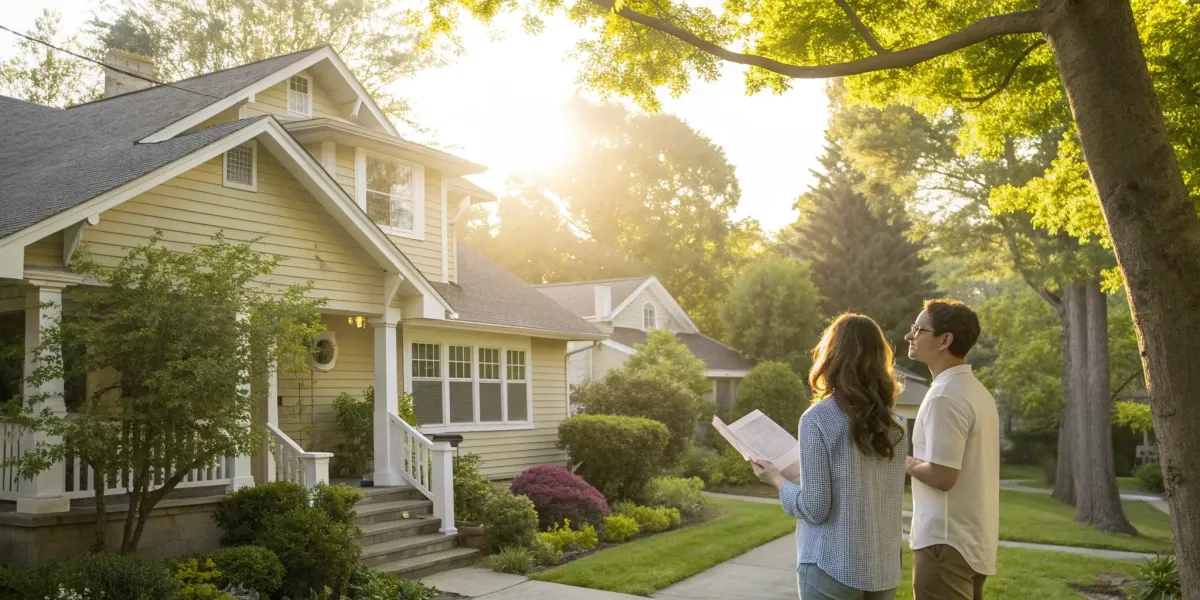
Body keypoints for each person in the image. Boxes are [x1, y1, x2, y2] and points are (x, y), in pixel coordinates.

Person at [753, 313, 907, 600]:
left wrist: (774, 478)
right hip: (883, 571)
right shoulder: (895, 425)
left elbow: (814, 509)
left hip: (832, 567)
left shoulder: (818, 419)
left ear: (831, 355)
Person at [902, 298, 999, 600]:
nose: (909, 335)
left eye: (918, 329)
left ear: (944, 340)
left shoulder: (945, 396)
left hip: (944, 545)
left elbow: (943, 476)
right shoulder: (976, 391)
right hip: (971, 540)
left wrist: (903, 462)